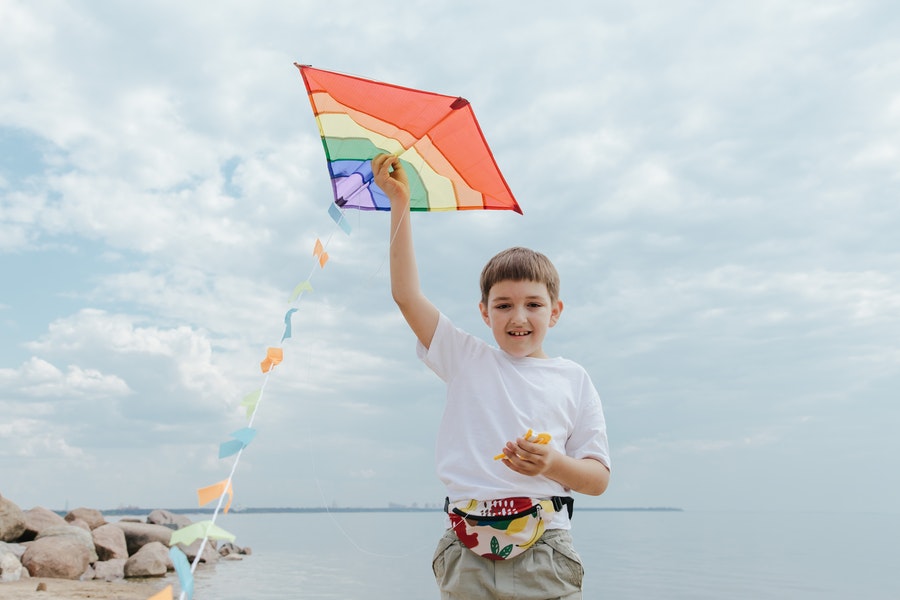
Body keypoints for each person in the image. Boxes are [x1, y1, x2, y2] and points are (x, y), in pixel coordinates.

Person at [373, 153, 611, 600]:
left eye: (533, 304)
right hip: (467, 550)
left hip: (547, 550)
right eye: (503, 305)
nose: (518, 316)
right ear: (484, 312)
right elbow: (405, 295)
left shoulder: (573, 378)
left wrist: (553, 464)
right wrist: (399, 203)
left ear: (555, 312)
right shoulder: (465, 358)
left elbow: (597, 479)